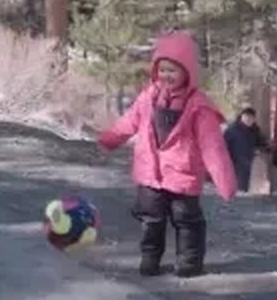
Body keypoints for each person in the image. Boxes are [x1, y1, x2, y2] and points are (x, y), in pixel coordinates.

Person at [98, 31, 238, 278]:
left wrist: (224, 181)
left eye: (173, 70)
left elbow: (212, 147)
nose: (166, 76)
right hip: (150, 173)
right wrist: (110, 138)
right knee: (151, 220)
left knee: (187, 221)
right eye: (162, 70)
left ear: (188, 73)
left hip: (183, 176)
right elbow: (128, 122)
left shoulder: (199, 107)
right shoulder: (148, 98)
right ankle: (150, 259)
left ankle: (189, 263)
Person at [223, 107, 266, 193]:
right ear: (242, 116)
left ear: (254, 119)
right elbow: (224, 145)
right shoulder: (232, 129)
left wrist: (261, 149)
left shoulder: (255, 130)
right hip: (234, 162)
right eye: (246, 117)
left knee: (245, 187)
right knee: (237, 187)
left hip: (249, 162)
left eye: (251, 118)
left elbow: (261, 143)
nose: (249, 119)